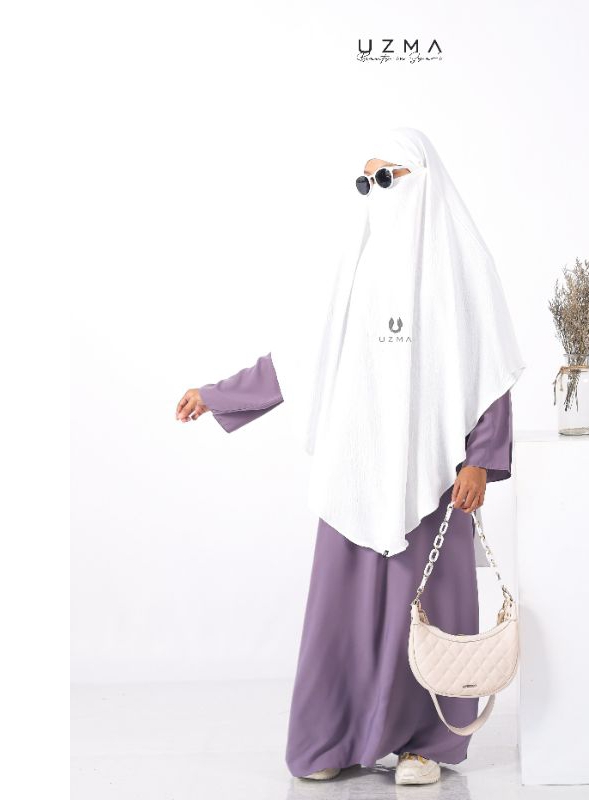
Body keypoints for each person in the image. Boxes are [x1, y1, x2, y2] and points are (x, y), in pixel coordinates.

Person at [175, 128, 525, 786]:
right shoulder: (353, 263)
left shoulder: (463, 268)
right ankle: (331, 739)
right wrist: (217, 393)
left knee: (434, 607)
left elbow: (491, 369)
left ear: (421, 179)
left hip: (434, 472)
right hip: (357, 469)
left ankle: (427, 745)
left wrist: (480, 458)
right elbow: (299, 359)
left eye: (387, 179)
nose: (376, 194)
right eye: (366, 183)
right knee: (343, 613)